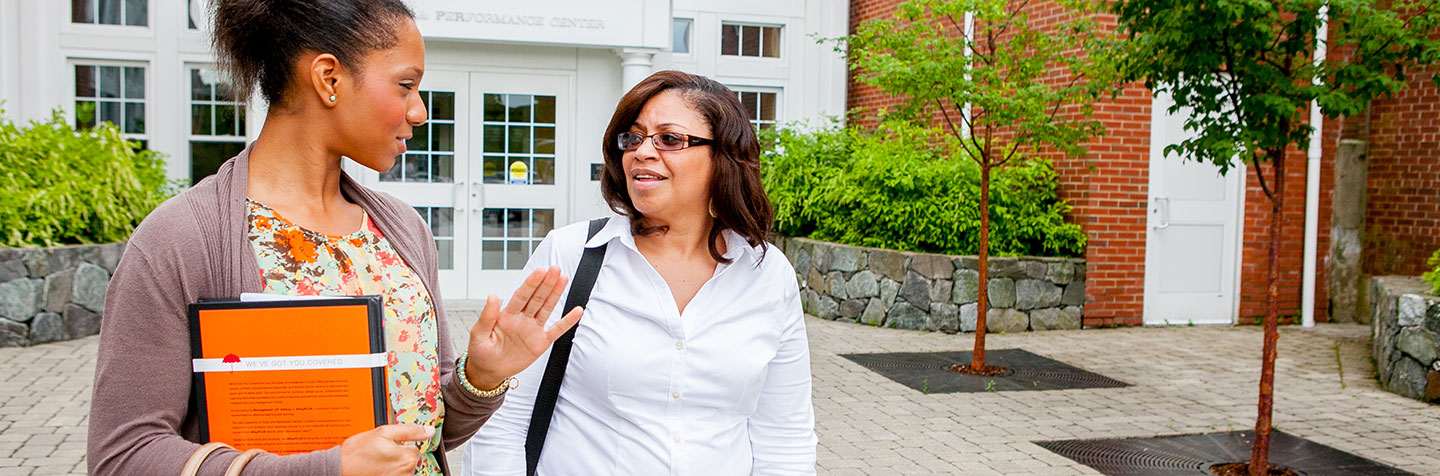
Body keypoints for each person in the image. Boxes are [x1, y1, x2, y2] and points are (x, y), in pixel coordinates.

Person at [85, 1, 581, 475]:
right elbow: (124, 455)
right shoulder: (182, 239)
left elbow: (426, 435)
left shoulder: (403, 231)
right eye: (406, 85)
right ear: (328, 78)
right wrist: (329, 468)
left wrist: (482, 378)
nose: (420, 112)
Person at [463, 70, 817, 475]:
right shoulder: (573, 254)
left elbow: (784, 436)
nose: (642, 151)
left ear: (723, 158)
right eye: (633, 137)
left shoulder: (767, 273)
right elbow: (504, 420)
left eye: (669, 139)